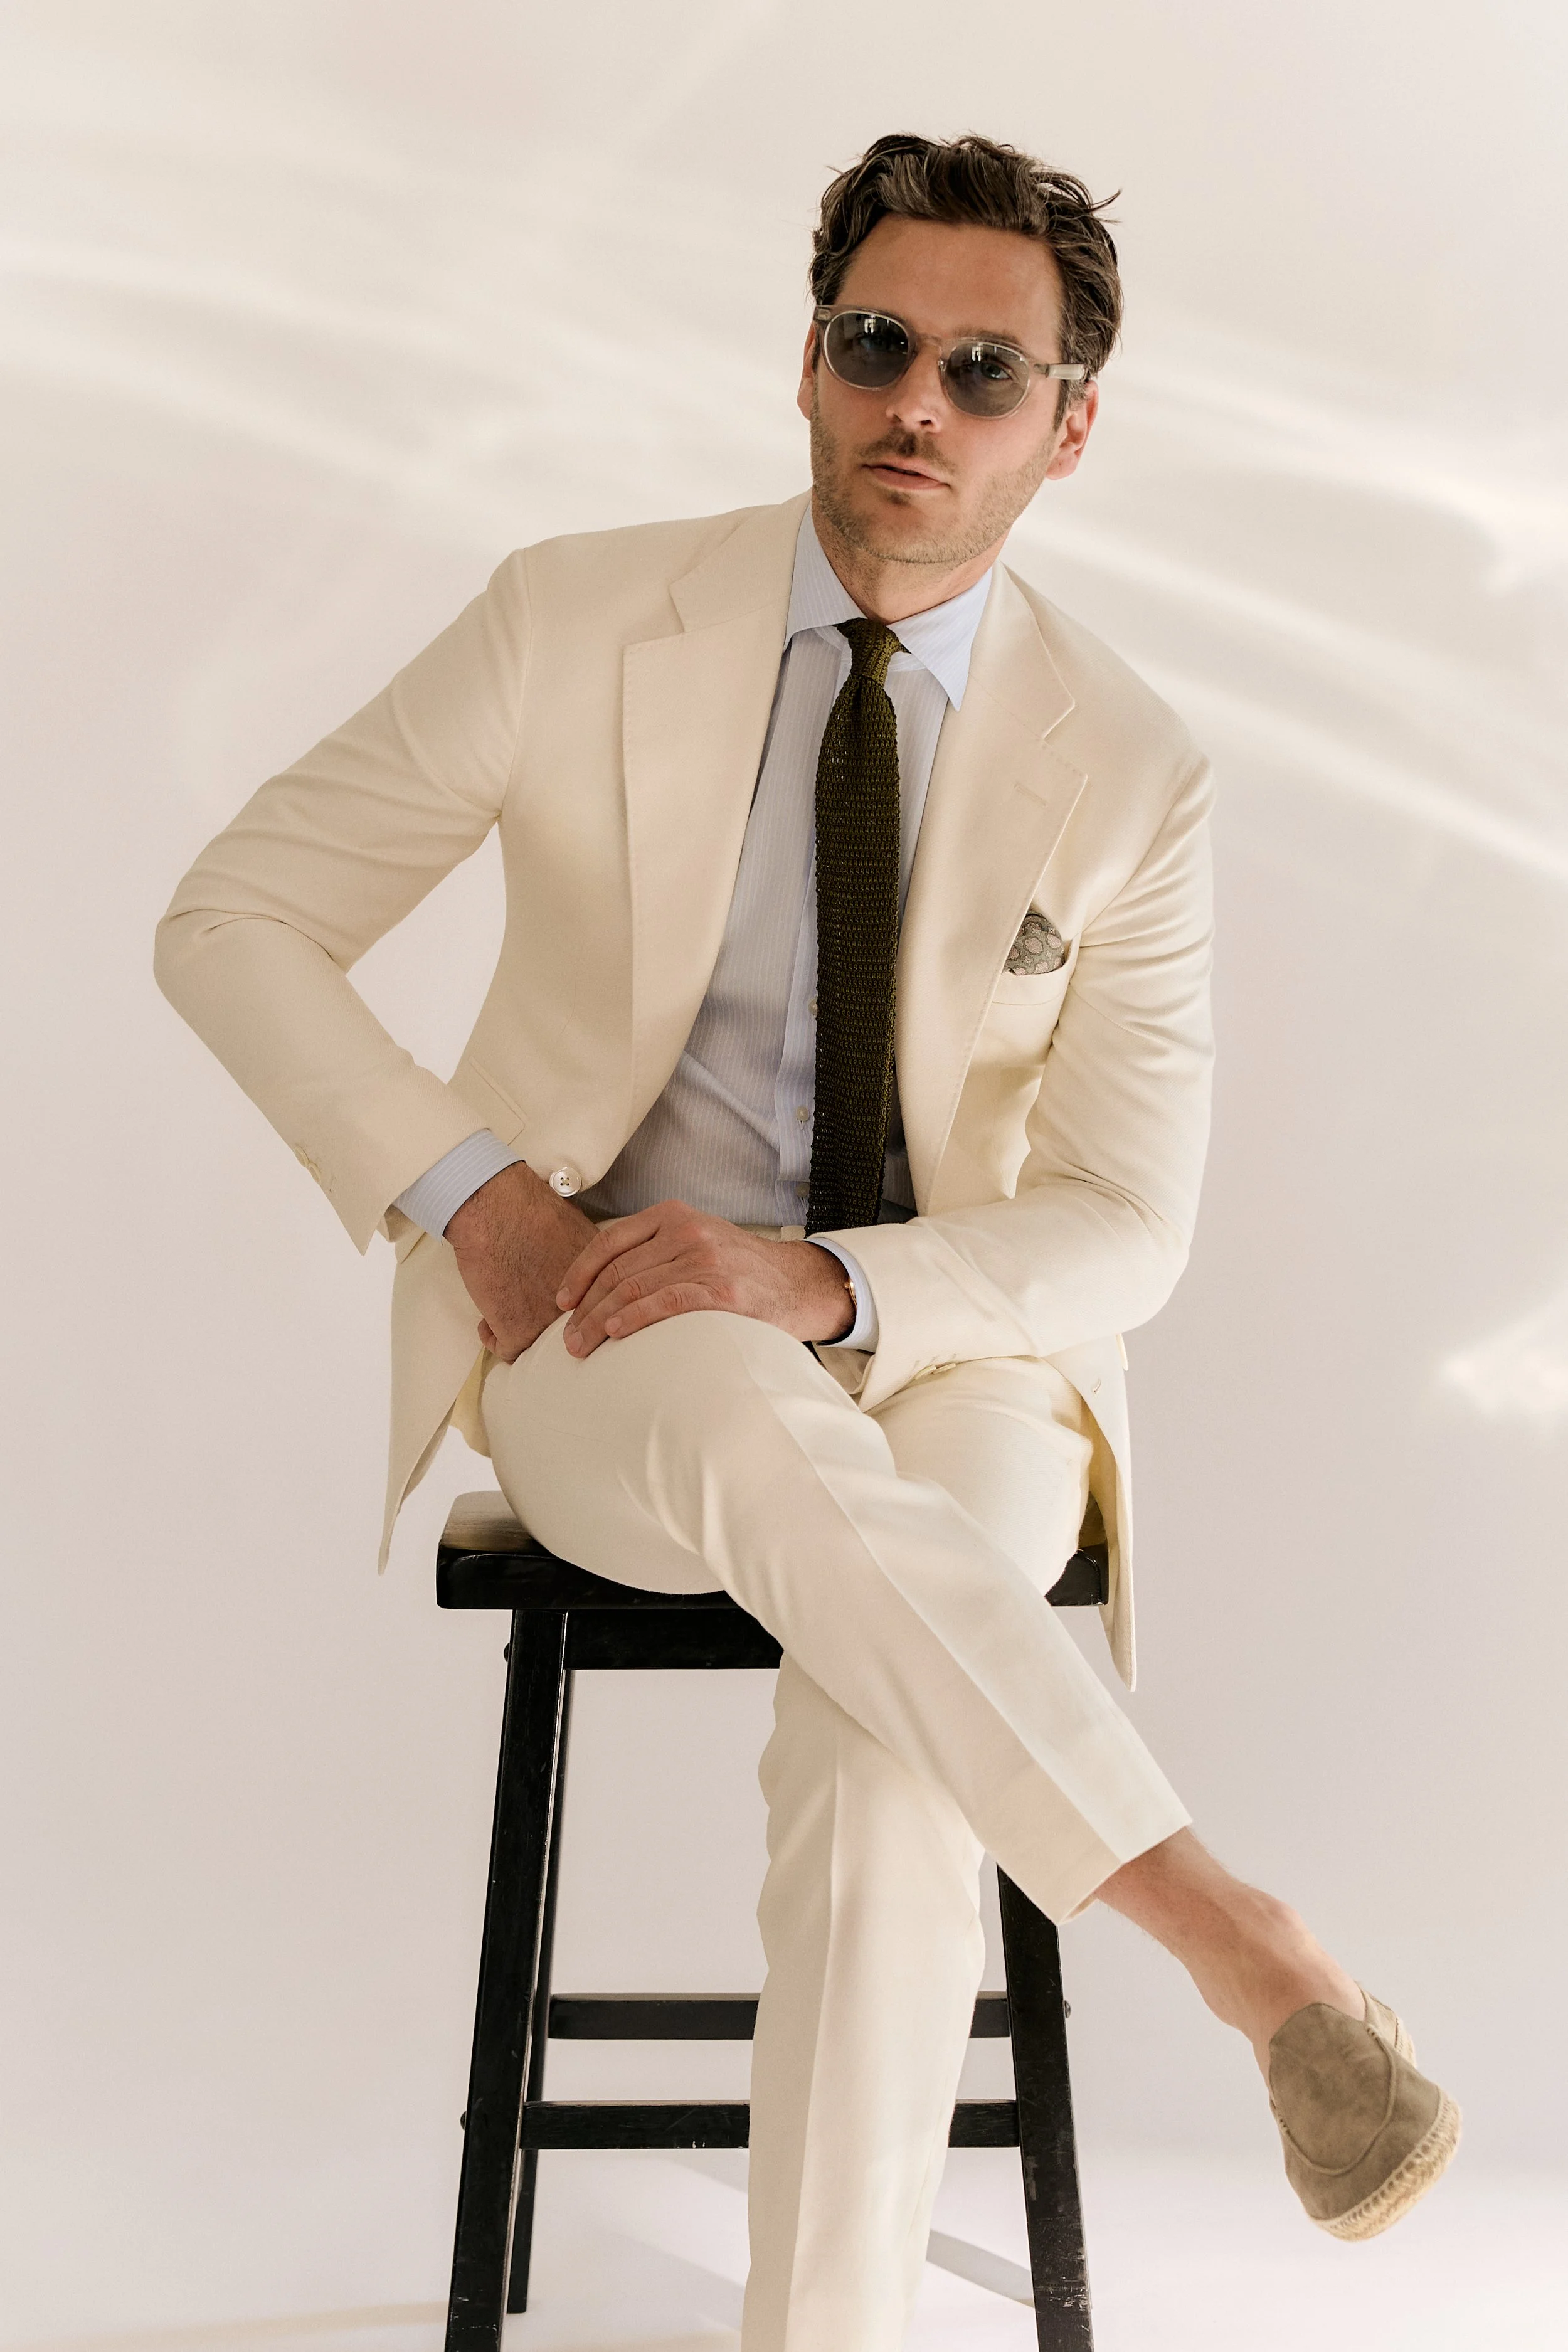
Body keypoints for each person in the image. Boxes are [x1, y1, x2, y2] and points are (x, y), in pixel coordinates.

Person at [156, 132, 1458, 2348]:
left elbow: (1126, 1218)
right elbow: (236, 915)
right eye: (877, 346)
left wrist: (840, 1276)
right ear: (805, 359)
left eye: (981, 368)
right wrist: (475, 1191)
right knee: (763, 1419)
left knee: (888, 1766)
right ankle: (1243, 1946)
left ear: (1068, 425)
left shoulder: (1131, 770)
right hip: (607, 1322)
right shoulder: (573, 617)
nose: (915, 408)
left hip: (951, 1350)